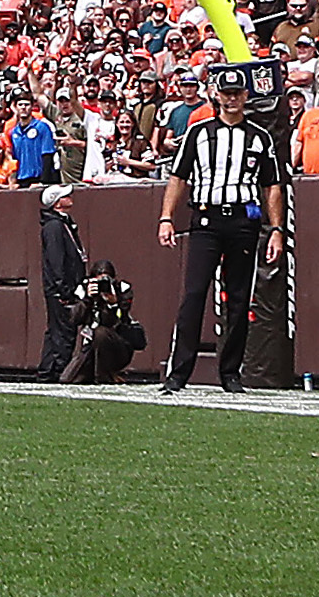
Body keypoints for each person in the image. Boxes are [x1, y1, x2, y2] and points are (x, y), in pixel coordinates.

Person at [159, 61, 286, 393]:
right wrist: (166, 217)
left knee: (239, 299)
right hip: (206, 219)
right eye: (226, 93)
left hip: (244, 221)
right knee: (194, 294)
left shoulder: (260, 138)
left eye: (236, 94)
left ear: (246, 95)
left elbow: (273, 185)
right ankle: (179, 372)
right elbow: (178, 177)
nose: (231, 100)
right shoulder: (199, 133)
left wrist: (276, 229)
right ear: (216, 95)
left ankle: (231, 372)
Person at [63, 259, 144, 383]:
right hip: (91, 347)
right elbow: (74, 319)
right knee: (68, 379)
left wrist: (113, 303)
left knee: (101, 333)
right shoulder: (84, 290)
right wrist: (87, 299)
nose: (102, 285)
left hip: (118, 345)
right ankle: (104, 375)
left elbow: (119, 320)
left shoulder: (121, 290)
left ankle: (105, 378)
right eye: (99, 281)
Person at [36, 183, 84, 381]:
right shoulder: (55, 227)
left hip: (63, 287)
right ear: (57, 203)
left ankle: (47, 371)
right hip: (61, 290)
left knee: (56, 331)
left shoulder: (62, 223)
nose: (70, 197)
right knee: (63, 332)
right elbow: (56, 261)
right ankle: (58, 372)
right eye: (65, 196)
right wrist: (64, 290)